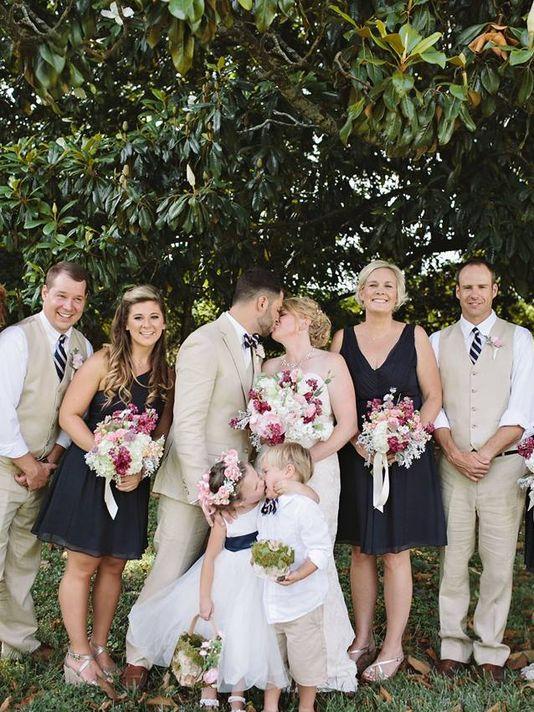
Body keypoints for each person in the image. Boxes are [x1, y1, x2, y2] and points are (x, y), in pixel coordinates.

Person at [123, 268, 284, 689]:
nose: (277, 318)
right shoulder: (204, 341)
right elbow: (187, 425)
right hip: (193, 484)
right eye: (278, 308)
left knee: (214, 576)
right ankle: (137, 657)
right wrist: (207, 492)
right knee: (170, 567)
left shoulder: (253, 351)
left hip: (238, 490)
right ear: (262, 303)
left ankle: (198, 658)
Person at [33, 285, 173, 692]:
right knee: (83, 564)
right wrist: (109, 454)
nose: (147, 325)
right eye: (139, 318)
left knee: (113, 565)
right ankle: (76, 654)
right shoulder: (103, 362)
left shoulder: (167, 372)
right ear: (125, 324)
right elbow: (70, 414)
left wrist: (141, 466)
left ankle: (98, 647)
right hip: (90, 474)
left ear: (164, 323)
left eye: (154, 317)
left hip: (130, 483)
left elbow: (162, 428)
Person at [331, 259, 446, 682]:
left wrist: (407, 437)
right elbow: (330, 395)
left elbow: (433, 396)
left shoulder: (415, 336)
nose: (380, 291)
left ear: (398, 295)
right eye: (372, 285)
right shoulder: (342, 338)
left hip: (405, 460)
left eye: (389, 285)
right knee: (360, 550)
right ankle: (361, 638)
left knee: (397, 553)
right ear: (360, 293)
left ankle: (392, 646)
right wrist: (358, 440)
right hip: (358, 457)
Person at [430, 257, 534, 682]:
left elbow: (523, 406)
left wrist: (486, 453)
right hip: (452, 466)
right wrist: (454, 451)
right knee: (452, 559)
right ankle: (452, 643)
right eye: (466, 287)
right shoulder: (437, 341)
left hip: (503, 468)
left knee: (497, 563)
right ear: (456, 291)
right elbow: (432, 405)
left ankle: (490, 647)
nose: (474, 294)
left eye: (482, 287)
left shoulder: (521, 338)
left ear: (495, 290)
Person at [128, 450, 297, 710]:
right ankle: (209, 685)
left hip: (254, 580)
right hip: (226, 578)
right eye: (255, 485)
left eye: (257, 476)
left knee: (244, 632)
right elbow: (209, 560)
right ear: (238, 503)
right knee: (214, 634)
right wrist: (205, 597)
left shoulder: (267, 502)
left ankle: (237, 692)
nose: (262, 483)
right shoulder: (225, 520)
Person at [263, 296, 358, 691]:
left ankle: (325, 663)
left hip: (318, 472)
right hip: (273, 476)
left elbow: (347, 425)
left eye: (281, 314)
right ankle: (276, 663)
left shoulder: (331, 364)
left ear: (302, 320)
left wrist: (303, 464)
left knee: (313, 555)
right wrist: (275, 468)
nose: (273, 319)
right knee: (275, 552)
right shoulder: (268, 368)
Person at [0, 261, 91, 660]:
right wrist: (27, 464)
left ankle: (16, 642)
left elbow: (73, 411)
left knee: (23, 559)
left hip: (42, 471)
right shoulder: (16, 340)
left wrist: (50, 459)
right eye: (61, 296)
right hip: (6, 468)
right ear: (44, 293)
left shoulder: (82, 349)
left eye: (77, 298)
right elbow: (1, 410)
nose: (68, 306)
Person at [258, 442, 332, 712]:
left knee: (305, 659)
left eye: (266, 471)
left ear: (288, 472)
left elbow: (320, 551)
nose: (262, 476)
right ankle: (270, 705)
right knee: (273, 656)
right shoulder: (268, 505)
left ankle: (306, 705)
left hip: (302, 603)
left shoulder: (304, 508)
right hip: (271, 600)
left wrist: (299, 574)